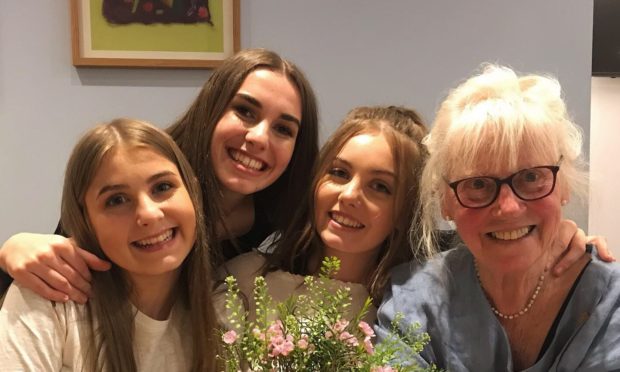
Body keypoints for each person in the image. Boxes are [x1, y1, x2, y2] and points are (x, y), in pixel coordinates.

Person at [0, 48, 319, 303]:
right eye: (245, 111)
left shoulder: (283, 210)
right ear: (212, 108)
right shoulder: (141, 170)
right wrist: (14, 249)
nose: (259, 138)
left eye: (283, 129)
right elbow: (56, 259)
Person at [376, 65, 620, 371]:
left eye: (531, 176)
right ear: (445, 202)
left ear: (564, 185)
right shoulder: (413, 299)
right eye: (477, 184)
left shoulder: (608, 299)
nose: (508, 208)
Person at [0, 119, 217, 371]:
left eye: (163, 187)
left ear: (192, 191)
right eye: (117, 200)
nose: (149, 214)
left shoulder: (225, 310)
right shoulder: (49, 297)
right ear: (85, 221)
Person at [219, 106, 430, 323]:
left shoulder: (406, 317)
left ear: (405, 214)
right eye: (339, 173)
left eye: (380, 187)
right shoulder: (243, 282)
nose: (349, 195)